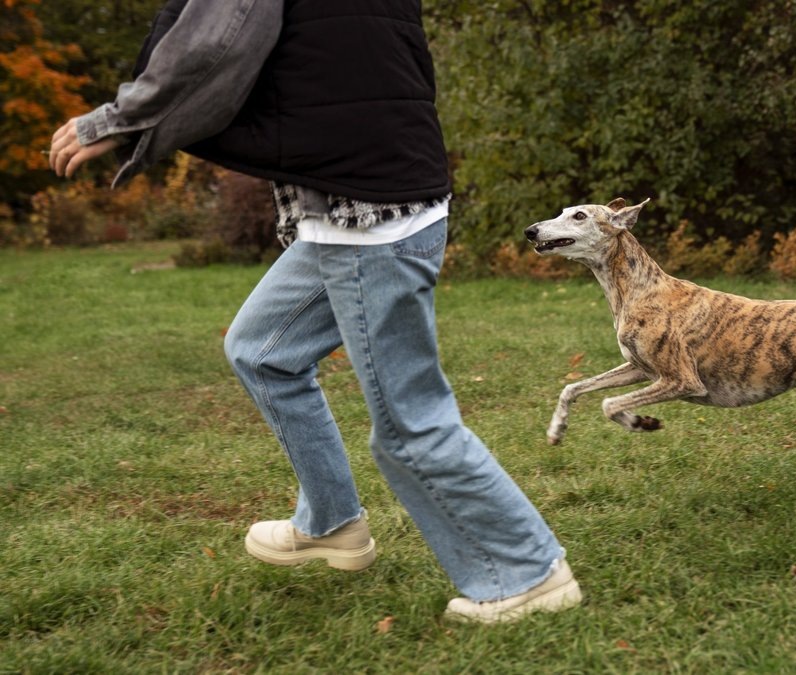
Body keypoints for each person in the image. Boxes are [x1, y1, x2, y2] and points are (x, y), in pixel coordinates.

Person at [49, 0, 580, 624]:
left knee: (409, 421)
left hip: (370, 218)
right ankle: (331, 523)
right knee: (262, 350)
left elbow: (211, 42)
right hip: (368, 202)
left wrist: (119, 119)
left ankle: (527, 572)